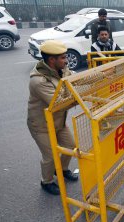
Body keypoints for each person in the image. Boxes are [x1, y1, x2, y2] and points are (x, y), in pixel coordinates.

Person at [27, 40, 78, 196]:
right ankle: (46, 181)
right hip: (41, 125)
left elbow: (75, 77)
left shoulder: (60, 69)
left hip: (58, 122)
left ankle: (61, 170)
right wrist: (79, 97)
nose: (66, 60)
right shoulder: (38, 81)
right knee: (50, 156)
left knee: (71, 147)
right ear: (51, 60)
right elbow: (59, 104)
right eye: (63, 58)